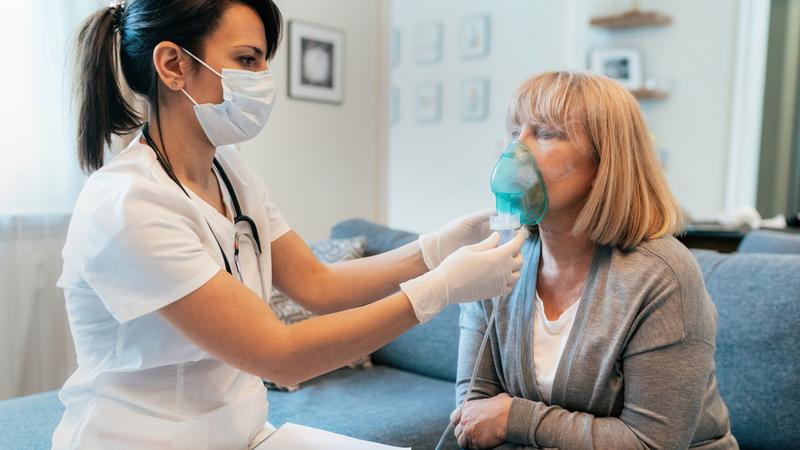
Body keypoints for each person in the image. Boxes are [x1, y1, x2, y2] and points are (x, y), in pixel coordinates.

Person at [53, 1, 527, 448]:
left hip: (243, 434)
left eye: (263, 62)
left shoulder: (231, 173)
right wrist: (438, 290)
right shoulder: (128, 204)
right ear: (174, 65)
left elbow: (316, 284)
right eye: (247, 59)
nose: (263, 79)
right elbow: (279, 353)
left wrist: (432, 250)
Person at [452, 71, 738, 449]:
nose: (515, 151)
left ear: (605, 162)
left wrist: (515, 419)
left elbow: (652, 443)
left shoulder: (662, 276)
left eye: (546, 133)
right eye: (514, 132)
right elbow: (473, 413)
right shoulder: (498, 259)